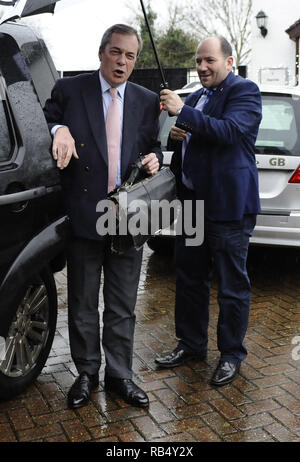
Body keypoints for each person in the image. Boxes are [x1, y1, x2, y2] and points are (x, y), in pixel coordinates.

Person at [44, 24, 162, 408]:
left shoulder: (146, 101)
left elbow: (153, 147)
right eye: (116, 52)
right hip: (84, 212)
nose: (122, 62)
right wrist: (59, 129)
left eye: (130, 56)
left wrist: (154, 160)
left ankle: (119, 375)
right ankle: (86, 372)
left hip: (129, 217)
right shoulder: (70, 90)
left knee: (122, 303)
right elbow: (46, 119)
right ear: (101, 53)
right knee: (81, 300)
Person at [156, 36, 262, 386]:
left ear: (229, 62)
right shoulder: (198, 97)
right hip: (192, 203)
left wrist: (182, 112)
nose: (202, 67)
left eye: (210, 61)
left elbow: (230, 132)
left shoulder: (245, 92)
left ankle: (231, 354)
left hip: (227, 207)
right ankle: (191, 344)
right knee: (189, 278)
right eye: (199, 61)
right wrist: (176, 137)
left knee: (231, 285)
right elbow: (193, 140)